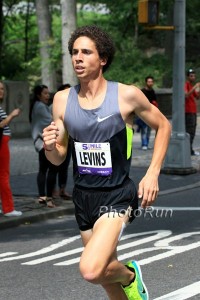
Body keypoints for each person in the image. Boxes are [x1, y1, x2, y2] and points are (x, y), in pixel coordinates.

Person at [43, 25, 171, 300]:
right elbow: (58, 157)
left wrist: (152, 173)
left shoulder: (126, 95)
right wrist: (50, 146)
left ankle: (131, 275)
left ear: (102, 59)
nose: (78, 57)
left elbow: (164, 126)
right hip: (83, 196)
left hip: (116, 196)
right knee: (102, 276)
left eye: (86, 52)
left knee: (91, 269)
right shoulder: (62, 100)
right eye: (74, 52)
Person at [29, 84, 58, 208]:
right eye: (45, 93)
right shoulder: (40, 107)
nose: (48, 95)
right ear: (38, 95)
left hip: (40, 142)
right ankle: (49, 198)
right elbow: (52, 121)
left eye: (48, 93)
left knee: (43, 170)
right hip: (44, 142)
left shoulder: (37, 106)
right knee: (52, 169)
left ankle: (42, 196)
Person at [0, 81, 22, 217]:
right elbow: (1, 124)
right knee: (3, 176)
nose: (1, 91)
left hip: (2, 141)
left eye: (2, 89)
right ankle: (8, 209)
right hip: (1, 143)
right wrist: (12, 115)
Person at [53, 83, 72, 200]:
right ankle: (52, 191)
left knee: (65, 168)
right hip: (56, 143)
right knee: (55, 167)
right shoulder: (55, 107)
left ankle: (62, 189)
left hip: (70, 142)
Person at [137, 76, 158, 150]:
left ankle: (147, 143)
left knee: (148, 130)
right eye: (149, 82)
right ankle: (144, 144)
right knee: (144, 129)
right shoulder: (142, 91)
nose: (150, 83)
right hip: (143, 113)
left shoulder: (152, 91)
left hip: (151, 113)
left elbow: (155, 101)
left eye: (151, 82)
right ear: (146, 82)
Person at [184, 69, 200, 156]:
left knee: (192, 131)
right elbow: (186, 95)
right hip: (188, 111)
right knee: (189, 131)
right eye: (191, 76)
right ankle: (188, 150)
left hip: (193, 111)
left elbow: (197, 97)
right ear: (188, 77)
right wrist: (194, 88)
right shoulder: (186, 84)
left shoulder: (191, 85)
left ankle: (190, 149)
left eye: (194, 75)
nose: (193, 77)